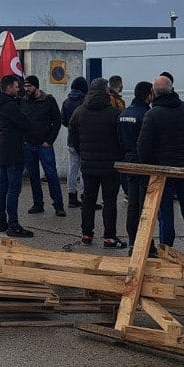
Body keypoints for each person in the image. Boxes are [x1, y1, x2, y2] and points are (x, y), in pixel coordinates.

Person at [137, 75, 184, 263]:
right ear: (173, 89)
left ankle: (166, 254)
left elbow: (143, 148)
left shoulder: (152, 115)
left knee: (166, 216)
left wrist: (152, 164)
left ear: (153, 93)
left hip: (162, 171)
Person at [69, 79, 124, 248]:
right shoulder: (114, 114)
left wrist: (84, 154)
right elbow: (121, 140)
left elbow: (73, 140)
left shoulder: (79, 112)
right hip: (110, 166)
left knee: (88, 201)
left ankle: (86, 234)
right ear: (105, 91)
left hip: (88, 165)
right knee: (110, 201)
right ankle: (109, 237)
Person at [0, 74, 34, 238]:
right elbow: (25, 123)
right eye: (17, 86)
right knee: (13, 189)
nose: (19, 89)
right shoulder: (9, 105)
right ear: (9, 88)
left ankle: (1, 221)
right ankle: (13, 224)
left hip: (3, 149)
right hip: (14, 150)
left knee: (3, 186)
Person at [20, 75, 65, 217]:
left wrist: (50, 140)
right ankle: (38, 203)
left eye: (29, 86)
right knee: (33, 176)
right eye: (25, 86)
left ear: (36, 86)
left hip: (44, 145)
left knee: (51, 175)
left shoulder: (48, 100)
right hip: (29, 144)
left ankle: (58, 205)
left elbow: (57, 121)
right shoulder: (23, 101)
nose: (27, 89)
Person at [117, 81, 153, 250]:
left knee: (132, 204)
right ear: (149, 95)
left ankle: (132, 241)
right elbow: (149, 143)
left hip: (129, 163)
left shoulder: (124, 114)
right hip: (144, 164)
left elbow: (119, 140)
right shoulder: (147, 114)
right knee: (145, 206)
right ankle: (145, 242)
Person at [60, 77, 88, 209]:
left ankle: (72, 196)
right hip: (83, 140)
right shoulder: (85, 102)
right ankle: (85, 196)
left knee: (72, 168)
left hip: (71, 140)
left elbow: (64, 121)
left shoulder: (66, 102)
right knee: (84, 169)